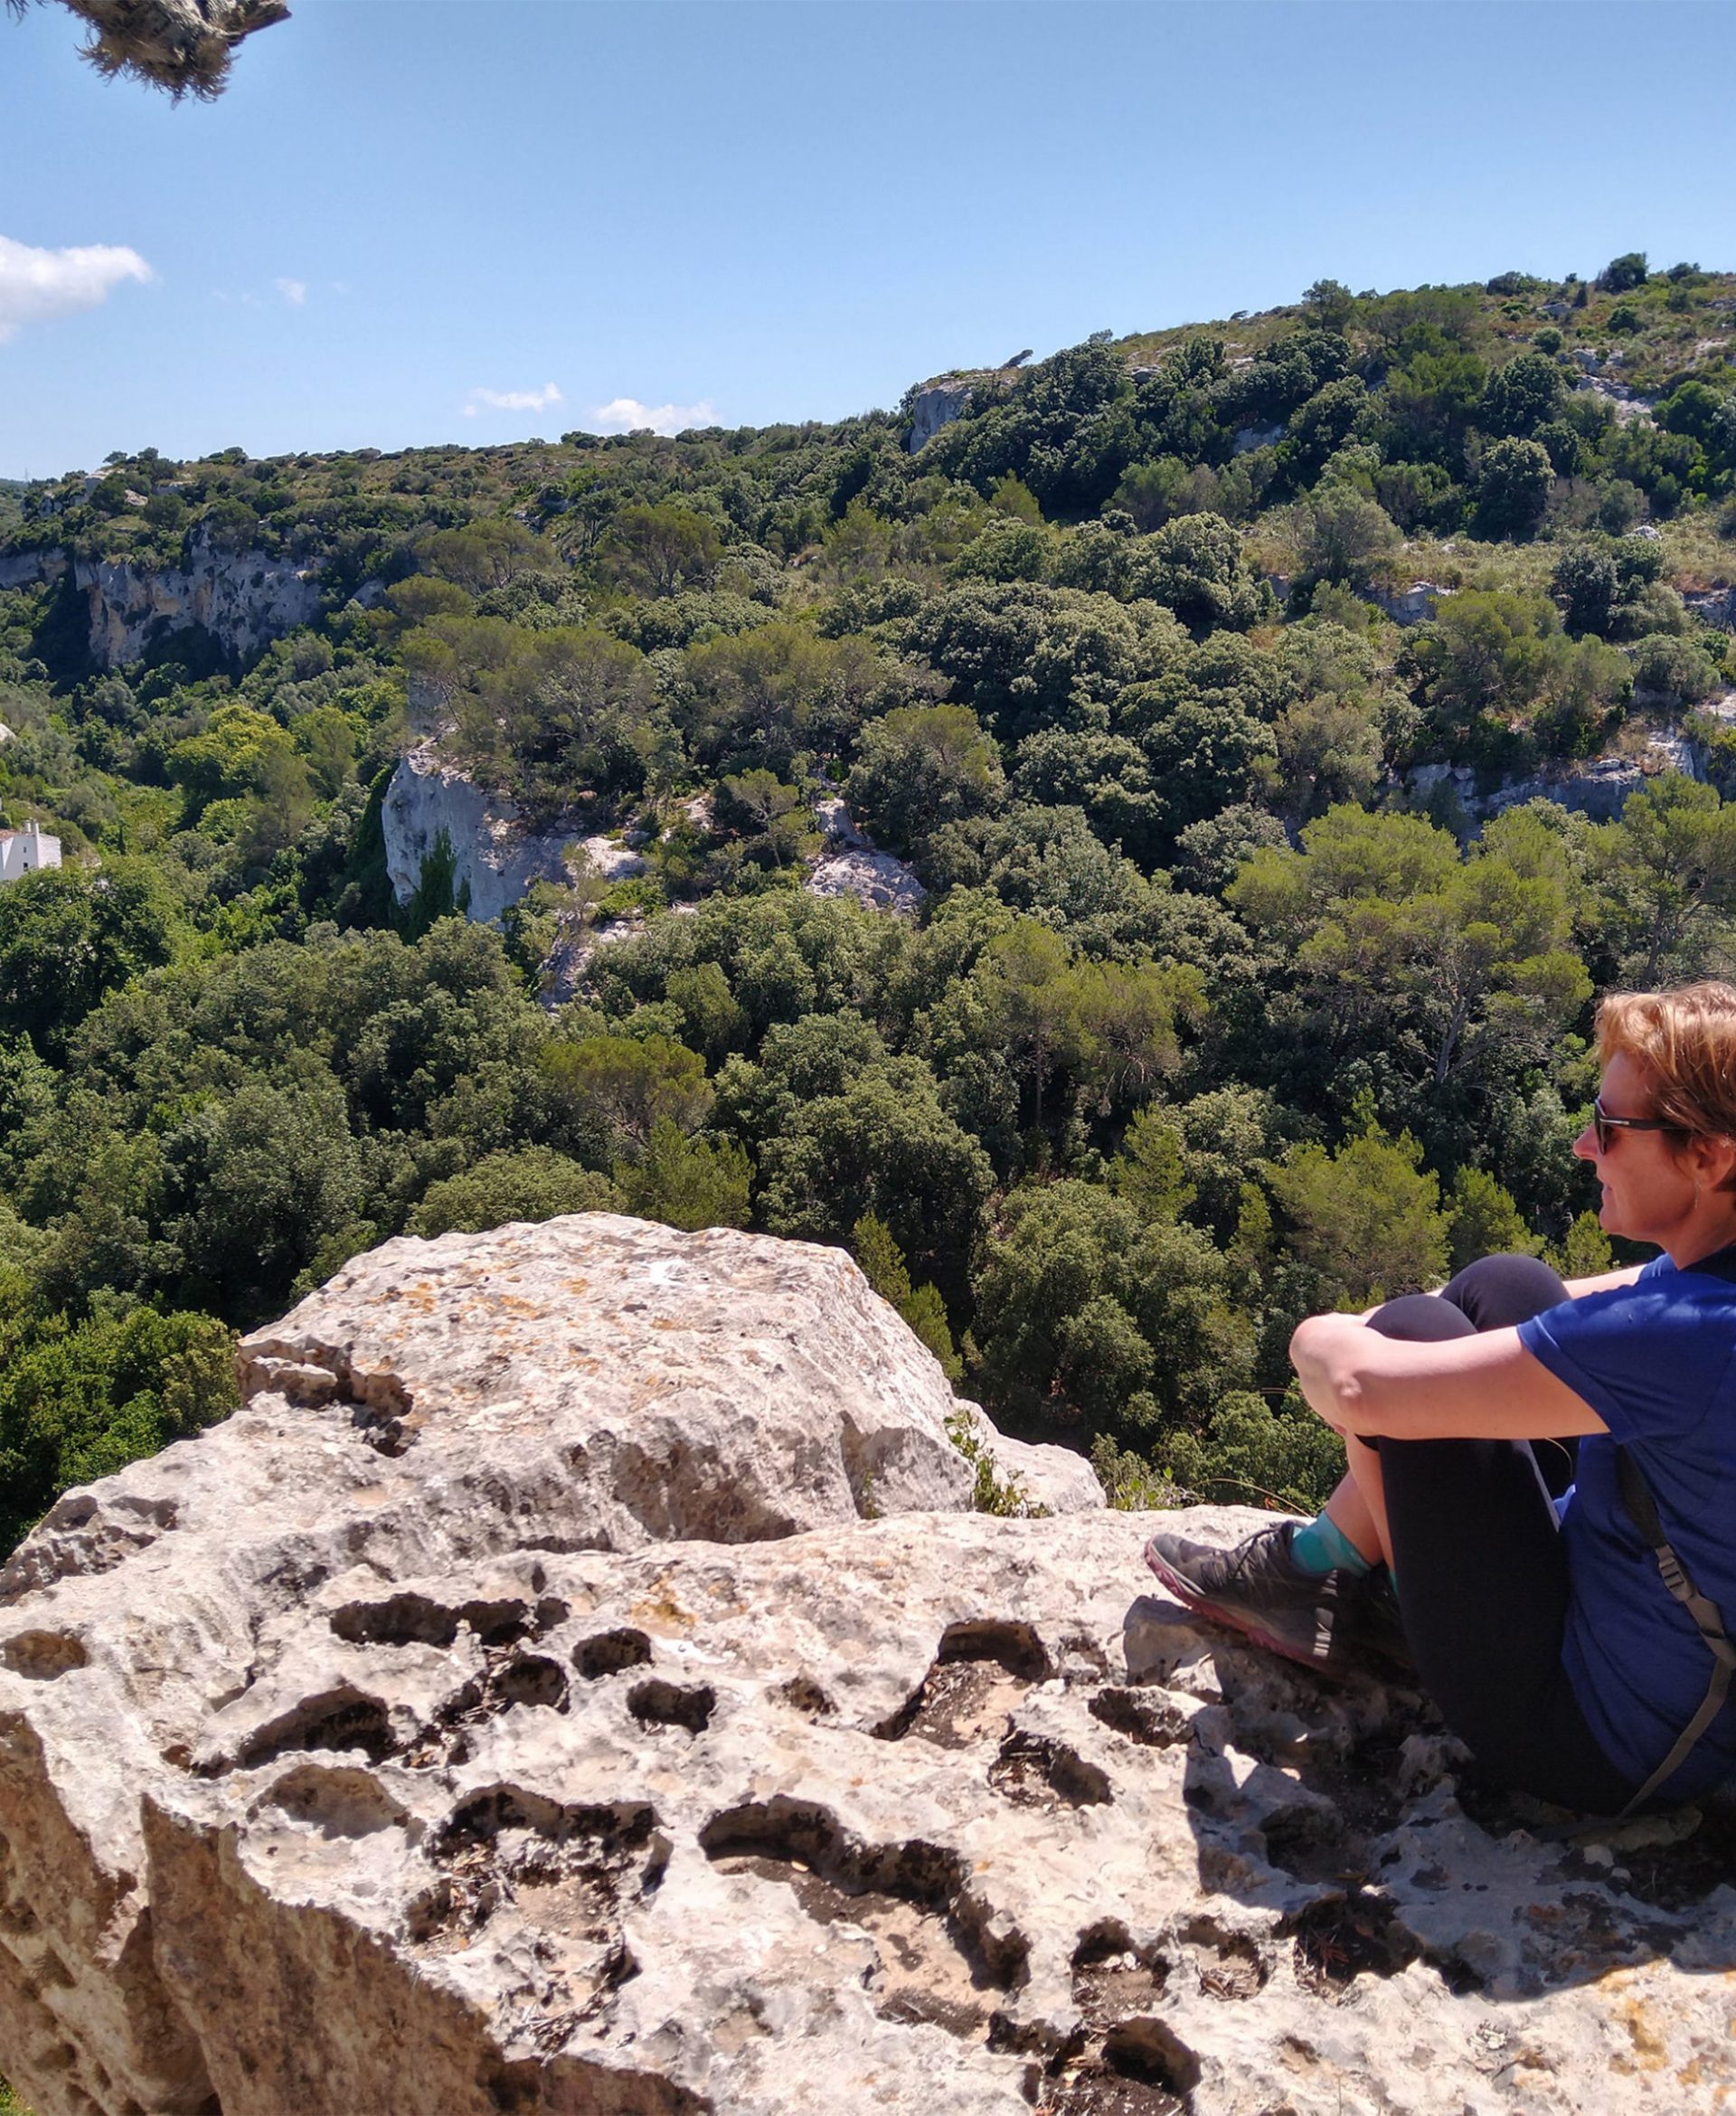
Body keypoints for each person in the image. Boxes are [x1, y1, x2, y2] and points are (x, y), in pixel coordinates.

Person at [1146, 981, 1736, 1816]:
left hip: (1588, 1740)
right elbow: (1591, 1302)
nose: (1581, 1146)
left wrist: (1337, 1328)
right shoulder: (1708, 1291)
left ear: (1709, 1157)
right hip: (1650, 1648)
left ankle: (1337, 1578)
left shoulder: (1687, 1339)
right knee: (1509, 1285)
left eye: (1609, 1128)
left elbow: (1352, 1388)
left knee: (1416, 1333)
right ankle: (1327, 1568)